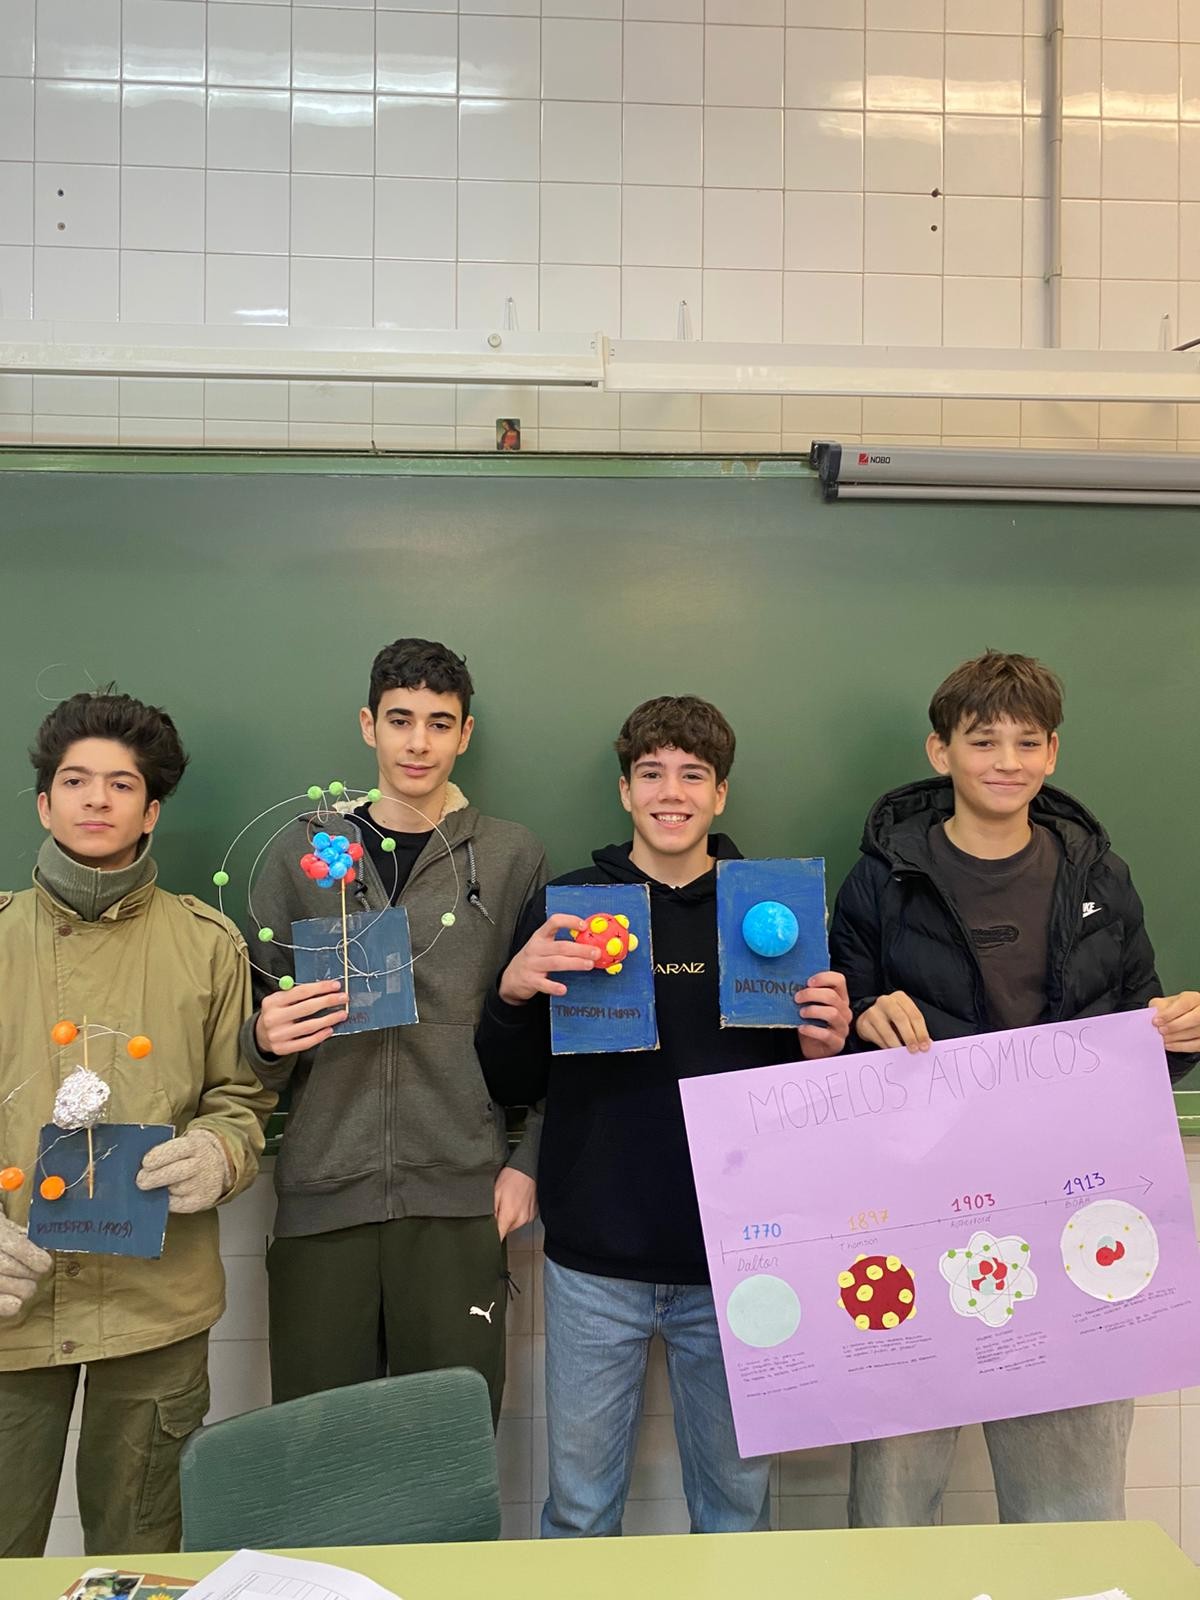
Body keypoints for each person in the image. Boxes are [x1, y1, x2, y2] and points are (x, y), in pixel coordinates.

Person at [829, 649, 1200, 1527]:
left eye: (1027, 742)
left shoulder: (1101, 879)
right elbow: (835, 1046)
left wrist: (1178, 1037)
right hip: (914, 1216)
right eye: (983, 740)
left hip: (1074, 1212)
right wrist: (863, 1022)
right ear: (940, 751)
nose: (1007, 761)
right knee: (892, 1504)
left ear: (1053, 752)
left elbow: (1136, 1042)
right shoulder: (882, 881)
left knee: (1071, 1507)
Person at [476, 695, 852, 1536]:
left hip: (738, 1261)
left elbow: (811, 1105)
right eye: (651, 774)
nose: (671, 792)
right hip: (594, 1261)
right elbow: (513, 1081)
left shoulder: (777, 913)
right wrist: (511, 997)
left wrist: (826, 1052)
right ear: (624, 791)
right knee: (579, 1512)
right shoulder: (571, 906)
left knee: (735, 1514)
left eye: (693, 774)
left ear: (721, 794)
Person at [242, 638, 547, 1421]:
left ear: (465, 735)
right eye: (400, 719)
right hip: (323, 1194)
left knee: (448, 1449)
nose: (418, 742)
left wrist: (531, 1157)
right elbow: (249, 1043)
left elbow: (559, 1022)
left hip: (459, 1197)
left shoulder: (512, 856)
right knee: (317, 1450)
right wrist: (260, 1037)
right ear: (367, 725)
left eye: (439, 723)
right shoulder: (301, 854)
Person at [0, 690, 273, 1556]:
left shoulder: (210, 945)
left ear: (151, 811)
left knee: (140, 1557)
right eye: (75, 780)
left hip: (156, 1305)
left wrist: (220, 1151)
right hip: (10, 1306)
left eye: (121, 784)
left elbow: (241, 1098)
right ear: (44, 803)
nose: (97, 799)